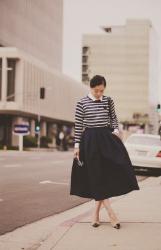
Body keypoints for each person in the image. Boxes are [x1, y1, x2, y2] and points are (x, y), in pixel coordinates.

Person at [70, 75, 140, 229]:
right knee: (96, 176)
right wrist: (77, 146)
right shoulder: (81, 103)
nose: (99, 94)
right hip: (89, 141)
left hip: (107, 140)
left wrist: (115, 130)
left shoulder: (108, 100)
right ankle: (111, 214)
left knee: (108, 174)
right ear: (91, 87)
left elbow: (114, 118)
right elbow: (79, 125)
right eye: (96, 91)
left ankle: (95, 214)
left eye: (101, 91)